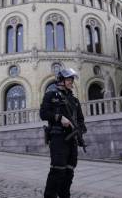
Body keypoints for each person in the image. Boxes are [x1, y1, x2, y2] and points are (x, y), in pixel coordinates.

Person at [40, 68, 87, 198]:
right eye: (69, 79)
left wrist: (80, 129)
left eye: (72, 80)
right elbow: (43, 114)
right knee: (57, 171)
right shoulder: (51, 95)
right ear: (61, 80)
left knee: (69, 172)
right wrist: (60, 118)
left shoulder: (74, 100)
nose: (71, 82)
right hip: (58, 138)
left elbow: (81, 119)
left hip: (72, 140)